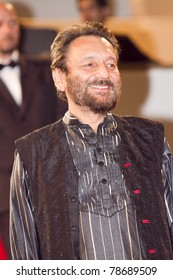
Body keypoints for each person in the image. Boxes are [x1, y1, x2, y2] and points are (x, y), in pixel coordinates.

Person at [10, 21, 173, 260]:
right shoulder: (32, 152)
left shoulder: (150, 138)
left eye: (111, 64)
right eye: (89, 64)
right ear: (59, 77)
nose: (104, 74)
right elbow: (24, 251)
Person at [0, 2, 67, 259]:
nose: (7, 29)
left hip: (52, 187)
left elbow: (64, 123)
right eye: (0, 24)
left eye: (12, 22)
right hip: (5, 195)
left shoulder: (47, 72)